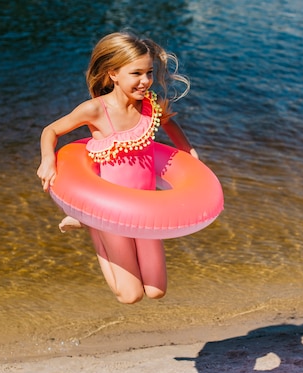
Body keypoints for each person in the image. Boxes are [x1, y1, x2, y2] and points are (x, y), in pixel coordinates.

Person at [37, 32, 197, 304]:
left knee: (157, 291)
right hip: (111, 212)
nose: (145, 81)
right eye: (136, 73)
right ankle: (91, 224)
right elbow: (51, 130)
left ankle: (88, 222)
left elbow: (171, 123)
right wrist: (47, 160)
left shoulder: (150, 105)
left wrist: (188, 151)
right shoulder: (96, 110)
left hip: (146, 207)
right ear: (113, 74)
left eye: (148, 72)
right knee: (130, 295)